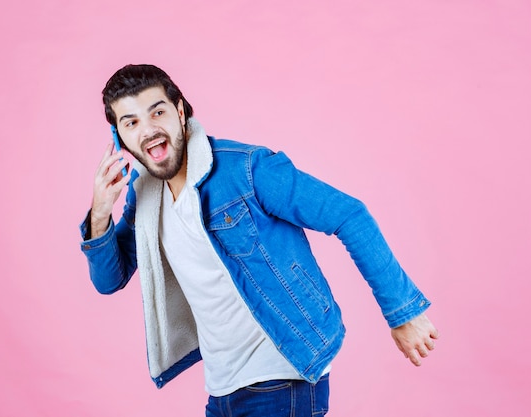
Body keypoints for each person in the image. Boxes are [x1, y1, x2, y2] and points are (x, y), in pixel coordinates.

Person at [79, 64, 439, 417]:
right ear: (118, 138)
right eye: (131, 122)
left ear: (181, 110)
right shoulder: (145, 198)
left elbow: (348, 215)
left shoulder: (247, 169)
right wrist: (100, 211)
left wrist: (402, 313)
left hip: (281, 379)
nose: (149, 130)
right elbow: (110, 280)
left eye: (157, 112)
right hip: (222, 391)